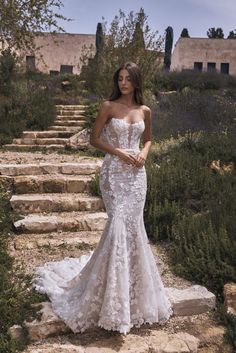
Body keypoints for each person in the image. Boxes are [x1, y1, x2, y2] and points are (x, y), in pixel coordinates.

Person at [33, 62, 173, 335]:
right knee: (118, 224)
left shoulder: (145, 110)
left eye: (128, 79)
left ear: (136, 82)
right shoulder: (108, 106)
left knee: (133, 228)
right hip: (114, 174)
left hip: (137, 177)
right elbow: (94, 140)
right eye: (120, 78)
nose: (123, 83)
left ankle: (132, 294)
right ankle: (112, 301)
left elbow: (149, 139)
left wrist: (144, 153)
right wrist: (120, 152)